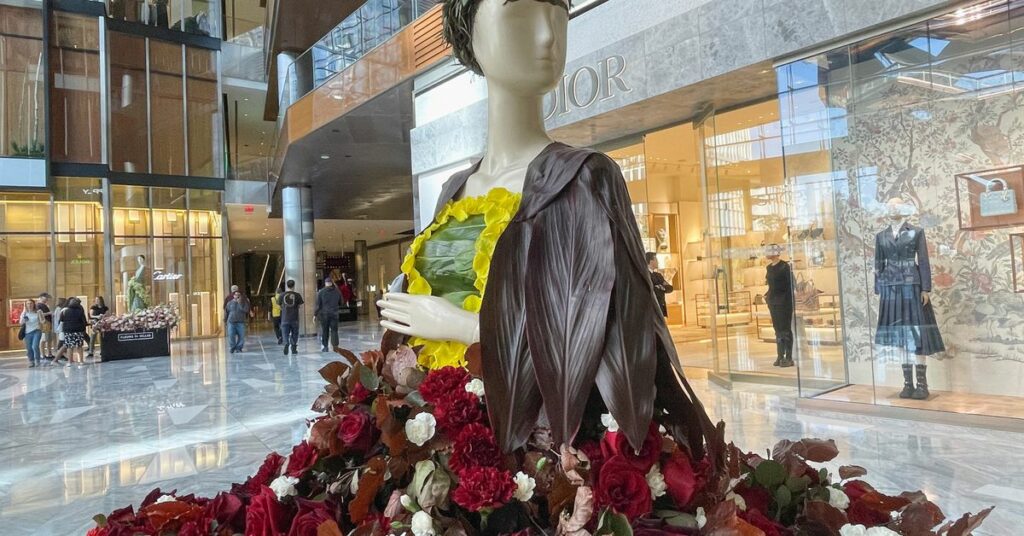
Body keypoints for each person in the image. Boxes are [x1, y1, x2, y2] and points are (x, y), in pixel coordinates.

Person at [764, 244, 795, 368]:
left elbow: (790, 285)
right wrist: (768, 296)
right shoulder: (769, 268)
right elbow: (771, 286)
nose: (766, 253)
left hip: (784, 302)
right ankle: (780, 355)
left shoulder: (784, 266)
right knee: (777, 330)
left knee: (785, 329)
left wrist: (785, 299)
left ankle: (789, 357)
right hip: (773, 301)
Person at [54, 298, 88, 365]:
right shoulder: (80, 311)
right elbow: (84, 321)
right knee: (79, 346)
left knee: (69, 346)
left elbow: (61, 321)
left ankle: (69, 361)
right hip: (78, 330)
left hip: (68, 331)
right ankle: (81, 361)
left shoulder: (65, 311)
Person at [314, 278, 342, 352]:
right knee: (334, 331)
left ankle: (325, 347)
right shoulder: (337, 291)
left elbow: (318, 305)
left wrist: (315, 314)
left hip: (324, 314)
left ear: (325, 283)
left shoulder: (321, 292)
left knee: (325, 331)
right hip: (334, 314)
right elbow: (342, 302)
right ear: (331, 283)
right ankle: (335, 347)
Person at [279, 279, 304, 356]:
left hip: (285, 318)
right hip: (294, 318)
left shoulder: (282, 295)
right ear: (294, 285)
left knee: (285, 333)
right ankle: (293, 348)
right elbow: (299, 305)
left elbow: (280, 305)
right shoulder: (297, 295)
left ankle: (286, 343)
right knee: (295, 333)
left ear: (287, 285)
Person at [646, 252, 673, 317]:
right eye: (656, 260)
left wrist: (661, 287)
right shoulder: (645, 275)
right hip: (650, 308)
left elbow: (669, 288)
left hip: (660, 306)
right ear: (651, 261)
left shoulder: (658, 275)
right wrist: (658, 288)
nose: (658, 262)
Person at [20, 300, 43, 367]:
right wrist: (24, 320)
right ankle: (31, 361)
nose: (29, 305)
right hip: (27, 332)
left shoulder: (38, 312)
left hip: (37, 331)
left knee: (35, 346)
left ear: (34, 304)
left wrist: (42, 319)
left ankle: (37, 360)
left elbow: (43, 321)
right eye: (28, 304)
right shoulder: (24, 313)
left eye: (31, 303)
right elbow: (21, 323)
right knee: (29, 348)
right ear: (26, 305)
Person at [37, 293, 53, 360]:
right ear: (41, 297)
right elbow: (39, 314)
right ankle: (42, 354)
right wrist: (49, 313)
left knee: (48, 339)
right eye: (45, 297)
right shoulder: (38, 305)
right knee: (43, 339)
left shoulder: (44, 305)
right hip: (44, 323)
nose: (46, 299)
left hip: (48, 323)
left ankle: (49, 353)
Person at [52, 297, 67, 362]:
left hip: (59, 326)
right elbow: (59, 319)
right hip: (60, 327)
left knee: (62, 340)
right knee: (62, 341)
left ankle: (62, 354)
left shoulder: (60, 309)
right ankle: (60, 354)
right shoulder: (59, 309)